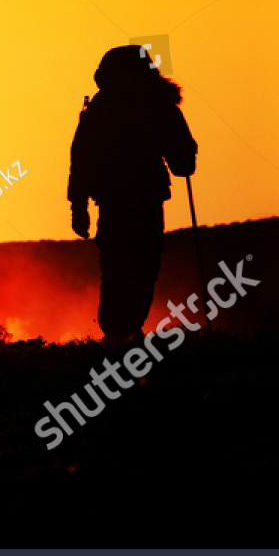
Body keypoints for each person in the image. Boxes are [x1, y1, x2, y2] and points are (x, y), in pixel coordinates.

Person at [67, 45, 197, 345]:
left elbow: (81, 161)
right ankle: (120, 330)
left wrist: (79, 205)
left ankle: (119, 331)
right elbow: (182, 163)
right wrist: (78, 205)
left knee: (127, 265)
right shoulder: (155, 107)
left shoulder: (103, 110)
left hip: (124, 200)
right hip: (137, 199)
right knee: (134, 265)